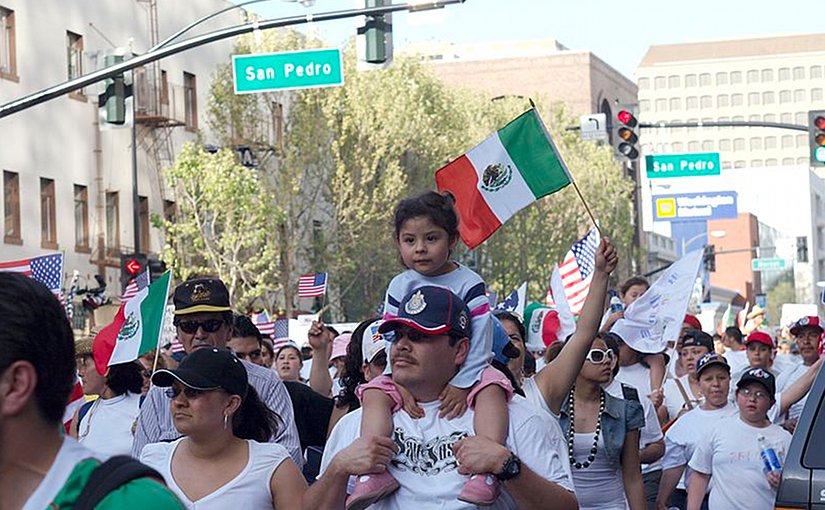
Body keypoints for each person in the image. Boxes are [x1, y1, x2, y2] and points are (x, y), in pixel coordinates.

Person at [306, 285, 577, 510]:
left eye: (419, 336)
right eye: (397, 335)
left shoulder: (519, 418)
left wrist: (507, 466)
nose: (401, 345)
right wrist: (338, 470)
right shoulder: (359, 424)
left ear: (460, 350)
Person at [353, 191, 512, 507]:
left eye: (431, 238)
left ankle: (485, 473)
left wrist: (464, 381)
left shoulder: (469, 281)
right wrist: (394, 380)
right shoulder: (399, 285)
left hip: (473, 366)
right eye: (409, 240)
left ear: (452, 239)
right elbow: (392, 338)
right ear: (398, 243)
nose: (420, 248)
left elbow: (479, 336)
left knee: (492, 390)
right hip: (404, 373)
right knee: (373, 394)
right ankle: (373, 471)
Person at [0, 273, 183, 509]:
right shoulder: (86, 411)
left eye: (86, 363)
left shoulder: (135, 503)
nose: (82, 371)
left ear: (16, 385)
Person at [132, 277, 303, 467]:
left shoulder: (265, 382)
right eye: (189, 326)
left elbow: (290, 458)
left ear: (229, 330)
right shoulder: (159, 393)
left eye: (210, 325)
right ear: (178, 334)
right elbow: (140, 467)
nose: (199, 334)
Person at [140, 347, 306, 508]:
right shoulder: (153, 458)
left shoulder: (273, 464)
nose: (179, 402)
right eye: (174, 392)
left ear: (230, 404)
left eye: (193, 392)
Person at [687, 368, 792, 510]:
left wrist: (783, 484)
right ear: (736, 396)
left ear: (771, 403)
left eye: (760, 395)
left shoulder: (784, 439)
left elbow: (794, 484)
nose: (752, 399)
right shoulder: (717, 429)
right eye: (746, 392)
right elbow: (700, 474)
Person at [656, 353, 738, 510]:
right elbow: (674, 465)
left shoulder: (743, 417)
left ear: (729, 380)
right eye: (708, 379)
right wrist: (662, 501)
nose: (716, 384)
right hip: (699, 502)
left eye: (721, 378)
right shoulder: (685, 424)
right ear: (699, 384)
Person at [775, 316, 823, 431]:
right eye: (801, 336)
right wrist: (785, 424)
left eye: (812, 335)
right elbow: (772, 415)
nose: (806, 342)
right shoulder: (786, 376)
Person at [660, 330, 713, 422]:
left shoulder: (725, 385)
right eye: (684, 354)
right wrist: (654, 405)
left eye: (696, 352)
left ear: (711, 354)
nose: (689, 358)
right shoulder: (670, 387)